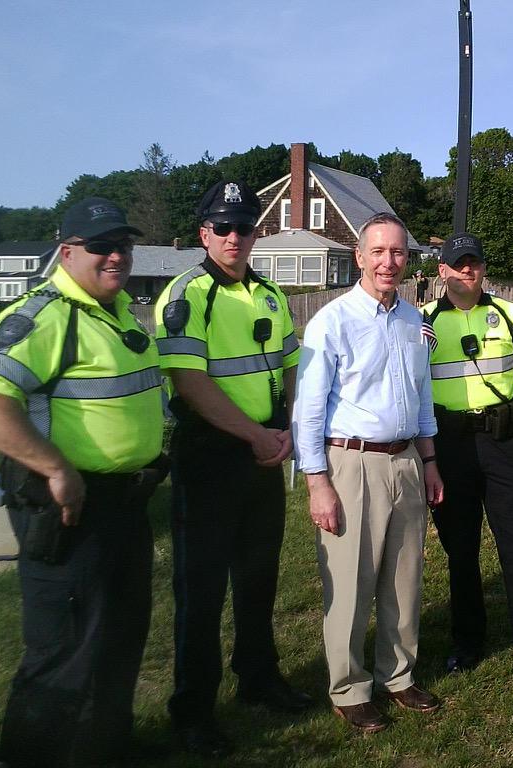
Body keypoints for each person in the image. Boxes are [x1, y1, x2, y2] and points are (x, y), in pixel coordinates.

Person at [0, 198, 167, 767]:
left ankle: (108, 749)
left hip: (125, 503)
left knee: (120, 636)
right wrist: (56, 468)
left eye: (123, 245)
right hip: (71, 510)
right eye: (101, 246)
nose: (116, 256)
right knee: (63, 655)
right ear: (67, 251)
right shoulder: (46, 316)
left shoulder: (118, 311)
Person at [154, 180, 308, 758]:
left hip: (264, 453)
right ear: (204, 233)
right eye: (223, 228)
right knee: (201, 591)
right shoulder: (187, 294)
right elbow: (190, 382)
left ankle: (258, 677)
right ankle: (193, 710)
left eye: (244, 227)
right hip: (210, 458)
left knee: (258, 576)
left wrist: (289, 425)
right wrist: (257, 435)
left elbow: (291, 363)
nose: (235, 237)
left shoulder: (268, 293)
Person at [294, 212, 444, 734]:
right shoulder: (331, 321)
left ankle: (398, 676)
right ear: (359, 256)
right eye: (378, 251)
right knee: (351, 583)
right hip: (350, 464)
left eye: (398, 252)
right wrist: (318, 483)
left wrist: (429, 461)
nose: (388, 261)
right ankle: (350, 688)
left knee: (405, 579)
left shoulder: (414, 321)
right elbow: (309, 410)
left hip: (406, 461)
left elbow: (423, 397)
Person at [421, 232, 513, 692]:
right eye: (458, 263)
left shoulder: (509, 314)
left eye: (474, 262)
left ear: (483, 268)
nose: (468, 269)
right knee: (460, 550)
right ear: (442, 270)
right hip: (450, 446)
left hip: (504, 444)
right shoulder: (422, 322)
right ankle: (467, 642)